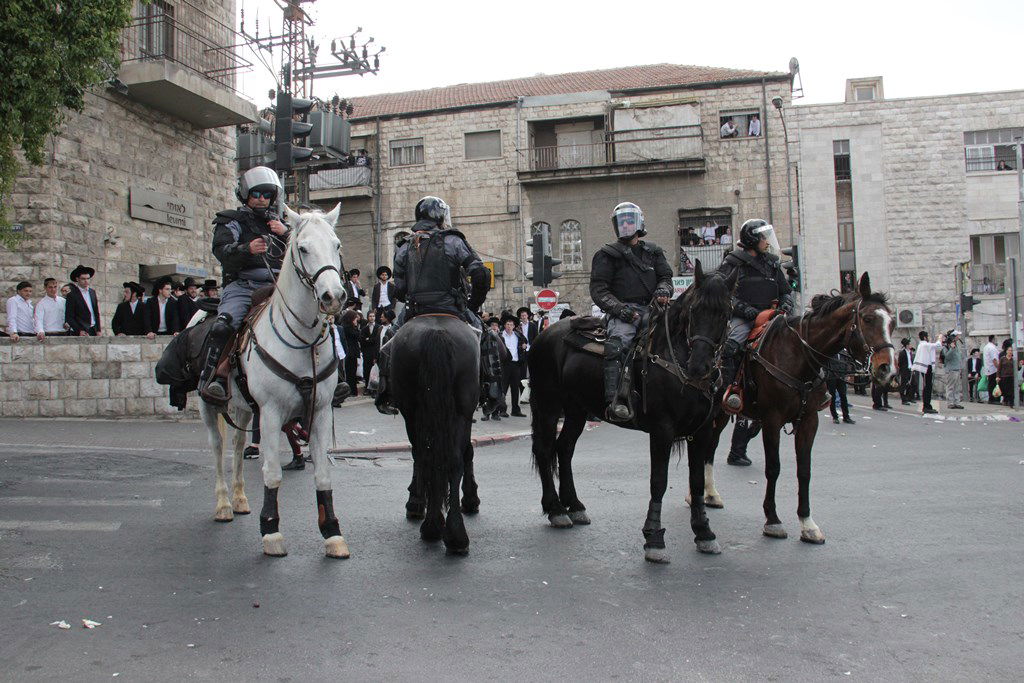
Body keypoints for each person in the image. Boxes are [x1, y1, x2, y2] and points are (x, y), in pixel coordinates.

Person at [373, 196, 497, 416]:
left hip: (415, 311)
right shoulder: (453, 241)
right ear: (439, 216)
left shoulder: (403, 246)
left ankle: (386, 392)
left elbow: (400, 291)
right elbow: (480, 273)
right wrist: (472, 305)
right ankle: (491, 391)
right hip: (451, 308)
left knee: (388, 340)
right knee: (486, 336)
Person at [200, 166, 290, 403]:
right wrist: (246, 249)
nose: (261, 200)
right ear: (246, 194)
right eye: (256, 194)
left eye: (266, 195)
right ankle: (215, 377)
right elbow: (221, 250)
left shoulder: (282, 223)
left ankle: (333, 376)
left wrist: (288, 233)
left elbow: (307, 249)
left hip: (279, 286)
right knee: (224, 325)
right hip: (243, 284)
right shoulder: (230, 220)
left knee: (319, 320)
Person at [716, 219, 793, 466]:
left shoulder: (772, 263)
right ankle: (728, 389)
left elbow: (786, 291)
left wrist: (785, 307)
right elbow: (724, 295)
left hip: (772, 317)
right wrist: (750, 313)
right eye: (763, 237)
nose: (767, 241)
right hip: (745, 319)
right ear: (751, 239)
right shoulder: (733, 262)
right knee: (732, 345)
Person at [590, 201, 673, 422]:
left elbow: (665, 278)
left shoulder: (654, 252)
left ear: (638, 223)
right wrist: (621, 310)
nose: (626, 224)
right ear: (616, 225)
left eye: (629, 220)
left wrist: (664, 290)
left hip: (653, 309)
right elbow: (599, 290)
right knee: (617, 346)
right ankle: (615, 400)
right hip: (623, 313)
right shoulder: (606, 254)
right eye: (622, 221)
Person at [498, 312, 528, 417]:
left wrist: (523, 347)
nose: (509, 326)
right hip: (504, 364)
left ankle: (515, 410)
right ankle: (502, 409)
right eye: (507, 324)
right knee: (503, 387)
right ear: (504, 326)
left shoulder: (518, 335)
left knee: (515, 388)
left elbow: (524, 343)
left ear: (514, 326)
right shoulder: (500, 335)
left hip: (516, 364)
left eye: (511, 325)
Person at [65, 264, 101, 336]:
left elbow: (96, 312)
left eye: (88, 278)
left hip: (93, 329)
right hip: (81, 330)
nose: (86, 281)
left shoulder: (92, 292)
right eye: (83, 279)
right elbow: (69, 317)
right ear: (77, 279)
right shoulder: (72, 295)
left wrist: (98, 330)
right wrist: (79, 330)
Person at [912, 330, 941, 414]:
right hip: (926, 368)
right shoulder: (924, 345)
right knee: (927, 387)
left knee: (928, 387)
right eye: (927, 336)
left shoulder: (923, 345)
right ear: (925, 337)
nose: (928, 338)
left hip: (927, 368)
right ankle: (926, 406)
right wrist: (940, 338)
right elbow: (937, 345)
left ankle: (928, 405)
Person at [826, 353, 855, 422]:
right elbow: (825, 363)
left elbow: (847, 363)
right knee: (832, 396)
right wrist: (827, 374)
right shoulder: (832, 351)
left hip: (841, 376)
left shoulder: (843, 353)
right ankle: (835, 417)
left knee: (843, 396)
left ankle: (846, 417)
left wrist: (847, 373)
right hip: (832, 377)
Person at [940, 330, 965, 409]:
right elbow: (947, 357)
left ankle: (956, 402)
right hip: (951, 370)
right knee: (950, 387)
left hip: (957, 369)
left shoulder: (956, 346)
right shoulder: (946, 346)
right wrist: (951, 348)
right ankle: (950, 402)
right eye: (957, 335)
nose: (958, 337)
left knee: (957, 387)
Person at [983, 334, 1000, 404]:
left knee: (991, 384)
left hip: (988, 368)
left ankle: (991, 398)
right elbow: (994, 360)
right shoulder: (992, 348)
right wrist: (998, 368)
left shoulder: (986, 347)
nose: (997, 340)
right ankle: (993, 399)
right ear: (993, 340)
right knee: (993, 384)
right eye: (996, 339)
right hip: (993, 369)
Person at [897, 338, 915, 404]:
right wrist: (902, 370)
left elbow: (911, 361)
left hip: (911, 369)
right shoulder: (902, 353)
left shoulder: (910, 352)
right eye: (909, 344)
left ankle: (909, 397)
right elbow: (900, 363)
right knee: (904, 385)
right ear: (907, 345)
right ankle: (903, 399)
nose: (910, 345)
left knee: (913, 384)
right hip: (905, 370)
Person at [998, 340, 1015, 407]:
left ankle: (1011, 403)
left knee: (1011, 390)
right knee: (1005, 390)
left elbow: (1017, 369)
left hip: (1011, 376)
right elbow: (999, 368)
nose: (1010, 352)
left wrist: (1019, 366)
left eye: (1011, 350)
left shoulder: (1013, 359)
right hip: (1004, 377)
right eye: (1009, 350)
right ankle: (1005, 401)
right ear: (1007, 351)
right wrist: (998, 376)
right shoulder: (1003, 359)